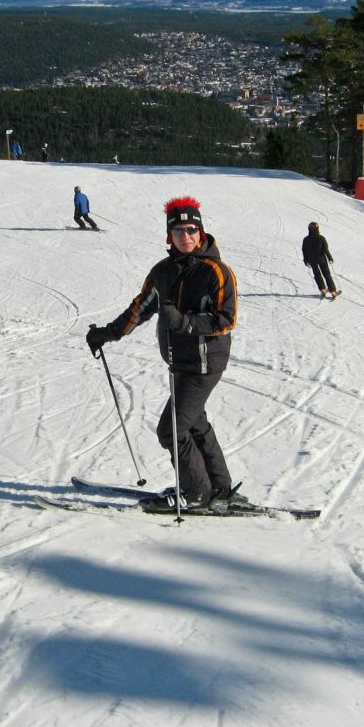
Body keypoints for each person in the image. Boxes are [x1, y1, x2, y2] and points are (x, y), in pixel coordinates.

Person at [86, 196, 240, 514]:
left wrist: (182, 322)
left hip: (205, 361)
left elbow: (226, 320)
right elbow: (141, 307)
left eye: (191, 230)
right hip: (180, 360)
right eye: (179, 231)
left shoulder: (217, 272)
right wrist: (109, 333)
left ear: (201, 232)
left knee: (171, 429)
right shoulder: (163, 272)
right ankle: (217, 487)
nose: (186, 236)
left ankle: (196, 493)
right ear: (169, 236)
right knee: (194, 422)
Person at [302, 221, 340, 299]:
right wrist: (330, 258)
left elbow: (304, 251)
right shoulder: (321, 238)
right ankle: (333, 292)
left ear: (309, 229)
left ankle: (323, 290)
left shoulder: (306, 239)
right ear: (317, 228)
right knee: (326, 274)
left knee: (317, 274)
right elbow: (325, 249)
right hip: (321, 259)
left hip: (311, 260)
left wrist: (306, 260)